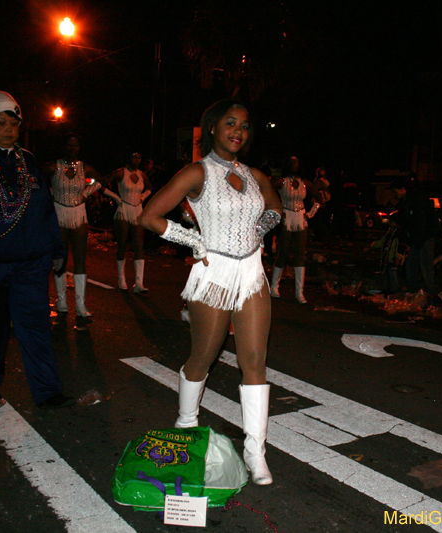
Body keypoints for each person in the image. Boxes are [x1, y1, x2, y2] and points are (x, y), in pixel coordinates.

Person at [139, 99, 282, 485]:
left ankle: (255, 451)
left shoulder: (254, 175)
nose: (238, 131)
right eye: (230, 123)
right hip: (213, 272)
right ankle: (186, 426)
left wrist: (259, 229)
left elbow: (275, 209)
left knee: (255, 360)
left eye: (245, 126)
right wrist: (192, 240)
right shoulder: (197, 172)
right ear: (213, 128)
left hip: (251, 272)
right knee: (203, 356)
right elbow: (149, 215)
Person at [0, 90, 75, 410]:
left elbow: (45, 209)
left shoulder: (28, 161)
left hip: (30, 264)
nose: (9, 129)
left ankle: (48, 391)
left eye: (14, 124)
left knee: (36, 328)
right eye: (1, 122)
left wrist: (55, 247)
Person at [42, 133, 104, 317]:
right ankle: (61, 300)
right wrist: (49, 192)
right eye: (69, 145)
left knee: (80, 259)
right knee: (59, 259)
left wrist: (86, 193)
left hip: (78, 214)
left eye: (76, 145)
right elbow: (35, 177)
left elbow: (101, 180)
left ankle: (80, 304)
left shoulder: (85, 167)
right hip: (59, 212)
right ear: (63, 147)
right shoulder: (54, 166)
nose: (72, 148)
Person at [269, 156, 320, 303]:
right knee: (283, 252)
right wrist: (277, 209)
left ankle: (299, 292)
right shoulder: (281, 181)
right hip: (286, 216)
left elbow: (320, 197)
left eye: (295, 162)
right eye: (290, 162)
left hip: (301, 217)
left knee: (300, 254)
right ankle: (274, 287)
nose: (293, 164)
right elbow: (266, 192)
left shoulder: (305, 183)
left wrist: (311, 213)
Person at [103, 150, 153, 292]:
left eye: (139, 157)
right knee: (122, 245)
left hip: (138, 210)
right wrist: (115, 198)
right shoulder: (120, 173)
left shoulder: (142, 174)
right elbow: (101, 183)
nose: (137, 160)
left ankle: (139, 283)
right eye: (134, 157)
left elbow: (150, 187)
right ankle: (122, 280)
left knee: (138, 245)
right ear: (128, 158)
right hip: (123, 209)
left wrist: (143, 197)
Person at [390, 173, 437, 296]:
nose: (394, 195)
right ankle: (413, 289)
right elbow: (405, 217)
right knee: (412, 263)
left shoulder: (416, 198)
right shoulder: (407, 200)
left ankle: (428, 292)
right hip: (417, 237)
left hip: (424, 236)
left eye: (395, 192)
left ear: (402, 189)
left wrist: (418, 238)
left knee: (425, 265)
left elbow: (420, 220)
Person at [310, 166, 332, 243]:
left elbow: (314, 191)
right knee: (322, 220)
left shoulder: (318, 182)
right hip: (324, 203)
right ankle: (322, 236)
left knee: (317, 220)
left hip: (318, 202)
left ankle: (317, 236)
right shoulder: (326, 182)